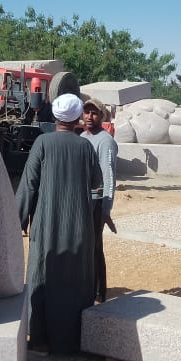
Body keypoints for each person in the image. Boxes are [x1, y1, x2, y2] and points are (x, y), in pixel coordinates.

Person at [16, 93, 102, 354]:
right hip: (78, 225)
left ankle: (40, 340)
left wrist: (19, 219)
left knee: (42, 276)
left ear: (55, 116)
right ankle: (73, 340)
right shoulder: (85, 147)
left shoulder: (42, 142)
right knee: (76, 280)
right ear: (77, 118)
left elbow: (29, 184)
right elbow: (96, 183)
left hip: (46, 224)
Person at [81, 97, 117, 303]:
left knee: (94, 248)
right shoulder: (83, 137)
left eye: (94, 113)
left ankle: (98, 293)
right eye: (87, 112)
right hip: (83, 201)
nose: (89, 116)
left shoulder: (105, 141)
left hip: (96, 203)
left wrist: (105, 209)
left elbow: (109, 176)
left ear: (102, 116)